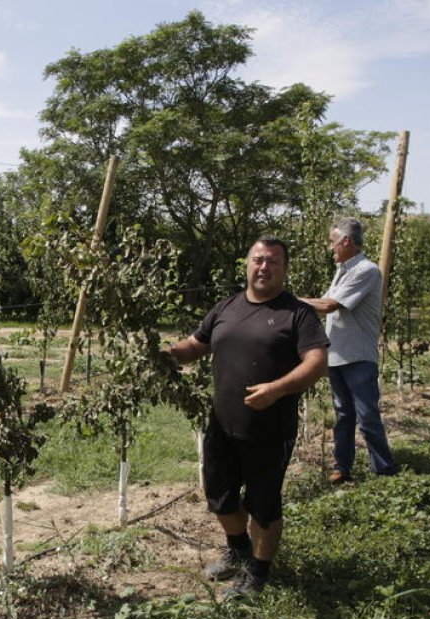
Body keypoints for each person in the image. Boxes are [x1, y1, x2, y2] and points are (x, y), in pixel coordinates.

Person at [168, 235, 328, 598]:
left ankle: (258, 571)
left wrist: (277, 389)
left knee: (264, 505)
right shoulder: (226, 307)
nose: (264, 267)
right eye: (258, 259)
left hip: (269, 430)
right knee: (219, 496)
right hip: (222, 425)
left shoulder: (297, 314)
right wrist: (164, 353)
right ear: (247, 264)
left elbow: (317, 364)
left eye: (272, 261)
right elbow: (196, 345)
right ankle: (238, 548)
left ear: (284, 269)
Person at [301, 217, 397, 484]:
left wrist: (288, 301)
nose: (331, 248)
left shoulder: (366, 270)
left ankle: (385, 470)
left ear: (346, 241)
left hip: (358, 356)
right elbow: (323, 304)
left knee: (367, 416)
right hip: (337, 355)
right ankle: (342, 467)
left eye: (333, 242)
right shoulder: (342, 270)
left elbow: (330, 305)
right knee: (343, 416)